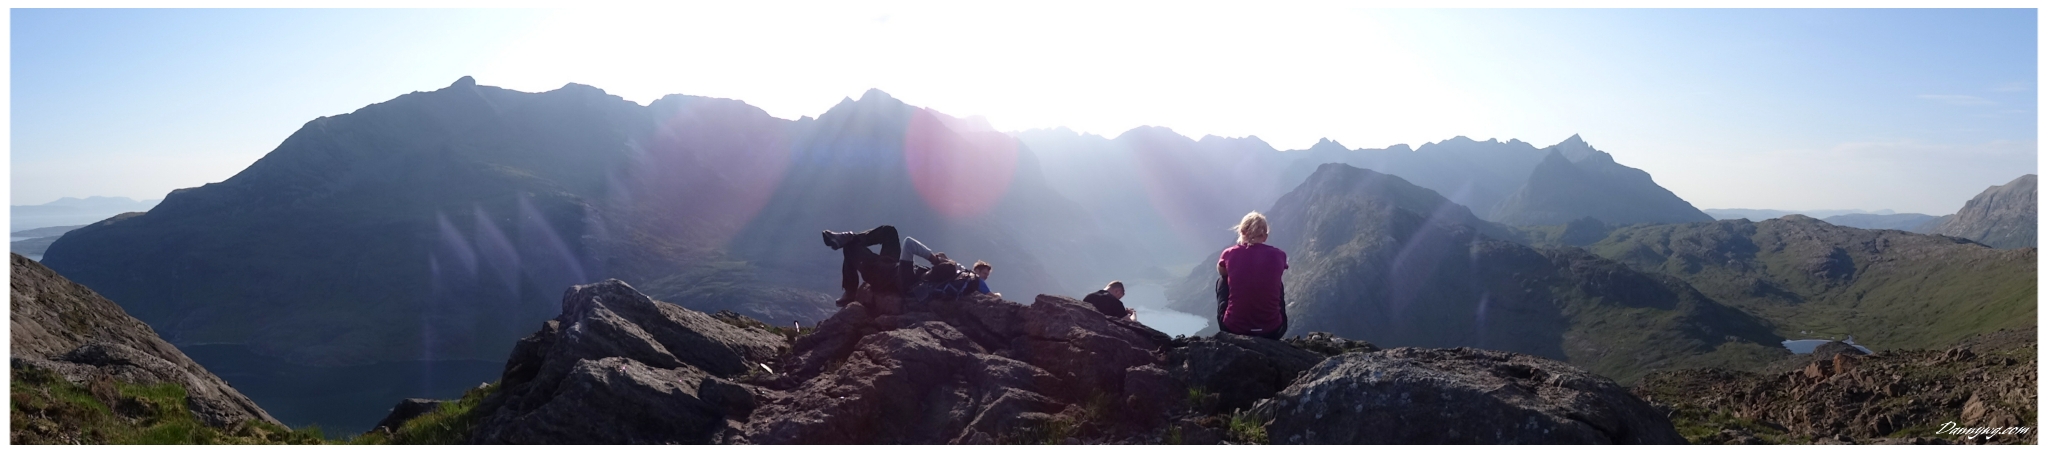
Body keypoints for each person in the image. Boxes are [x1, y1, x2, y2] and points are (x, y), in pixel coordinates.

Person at [1217, 211, 1287, 339]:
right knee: (1277, 283)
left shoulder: (1229, 253)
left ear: (1241, 232)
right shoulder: (1279, 255)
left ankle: (1235, 317)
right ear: (1265, 236)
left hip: (1234, 329)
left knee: (1222, 280)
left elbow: (1222, 272)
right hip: (1273, 331)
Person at [823, 226, 906, 306]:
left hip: (883, 275)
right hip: (892, 264)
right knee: (889, 231)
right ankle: (850, 237)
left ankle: (850, 291)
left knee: (849, 245)